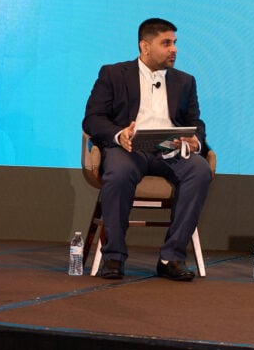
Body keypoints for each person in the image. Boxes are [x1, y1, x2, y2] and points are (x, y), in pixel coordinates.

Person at [82, 18, 212, 281]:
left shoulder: (185, 81)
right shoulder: (113, 74)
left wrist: (194, 140)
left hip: (169, 150)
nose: (174, 49)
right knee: (118, 172)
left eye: (175, 43)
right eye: (166, 43)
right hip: (129, 148)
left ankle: (171, 257)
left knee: (199, 170)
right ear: (145, 46)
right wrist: (120, 135)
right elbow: (93, 119)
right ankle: (114, 256)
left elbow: (195, 122)